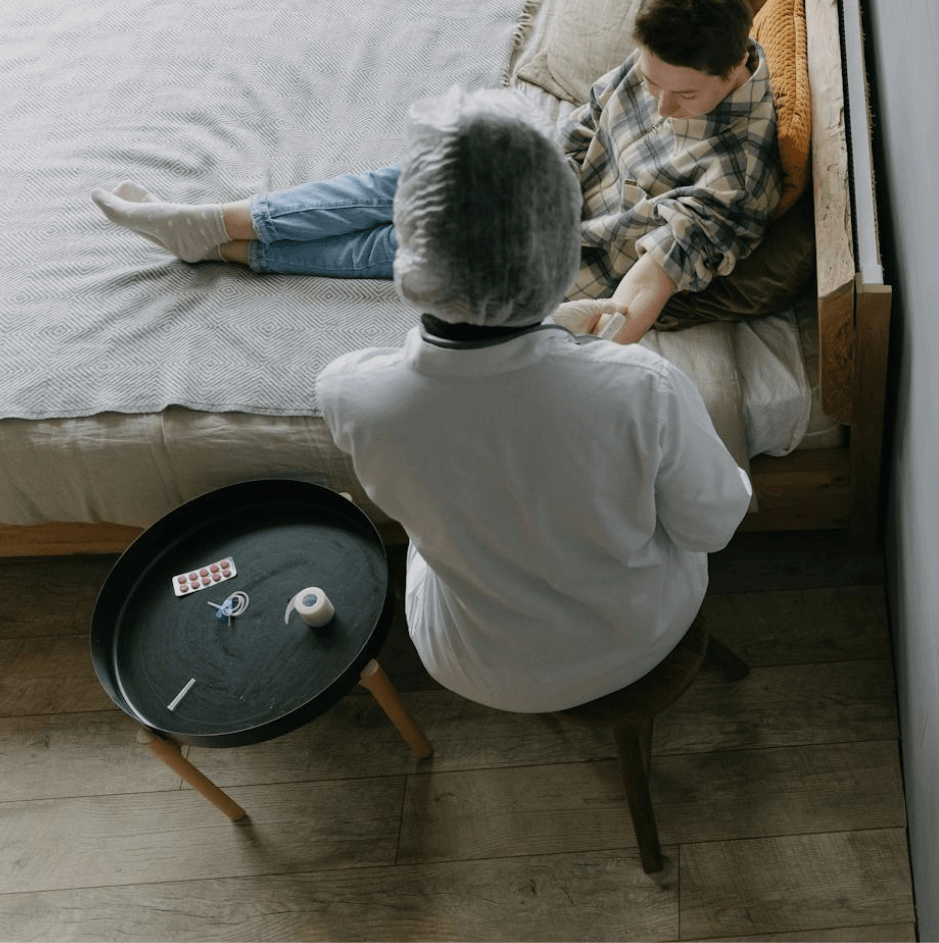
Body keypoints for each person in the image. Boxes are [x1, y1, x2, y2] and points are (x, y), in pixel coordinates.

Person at [314, 84, 754, 713]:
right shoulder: (641, 388)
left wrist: (546, 338)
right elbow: (711, 527)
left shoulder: (350, 391)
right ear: (553, 250)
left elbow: (483, 415)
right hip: (637, 640)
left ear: (411, 245)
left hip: (471, 663)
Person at [93, 0, 781, 346]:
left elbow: (643, 293)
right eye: (652, 83)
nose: (660, 105)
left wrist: (590, 335)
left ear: (733, 67)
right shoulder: (667, 61)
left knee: (404, 241)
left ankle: (219, 248)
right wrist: (533, 171)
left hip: (554, 255)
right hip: (546, 184)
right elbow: (589, 120)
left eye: (682, 97)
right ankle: (212, 220)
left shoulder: (733, 177)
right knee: (418, 175)